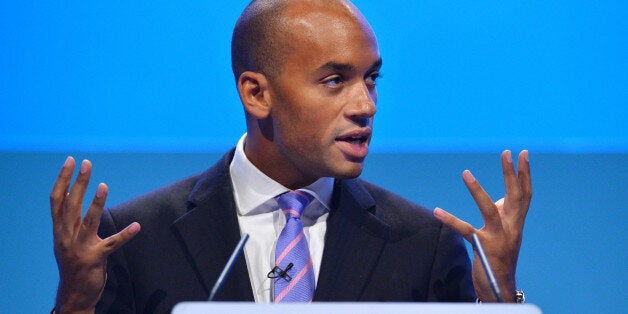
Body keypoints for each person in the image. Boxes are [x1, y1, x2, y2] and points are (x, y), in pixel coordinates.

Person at [50, 0, 532, 313]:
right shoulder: (135, 238)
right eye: (334, 80)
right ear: (257, 93)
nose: (366, 105)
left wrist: (500, 299)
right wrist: (74, 302)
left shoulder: (425, 244)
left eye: (371, 79)